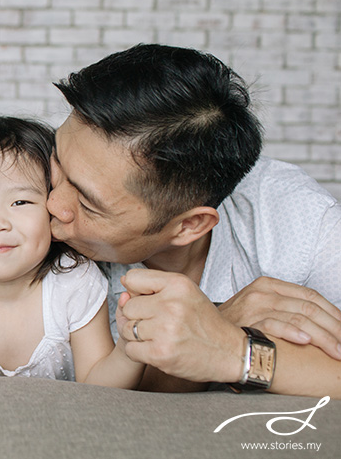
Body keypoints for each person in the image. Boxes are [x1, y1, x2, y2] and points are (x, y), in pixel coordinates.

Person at [47, 43, 341, 397]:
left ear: (189, 225)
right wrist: (215, 328)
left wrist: (234, 347)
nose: (51, 204)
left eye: (88, 203)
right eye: (57, 162)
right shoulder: (13, 204)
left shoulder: (301, 223)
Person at [0, 116, 143, 389]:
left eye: (20, 201)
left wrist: (128, 352)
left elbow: (97, 387)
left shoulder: (74, 281)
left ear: (54, 210)